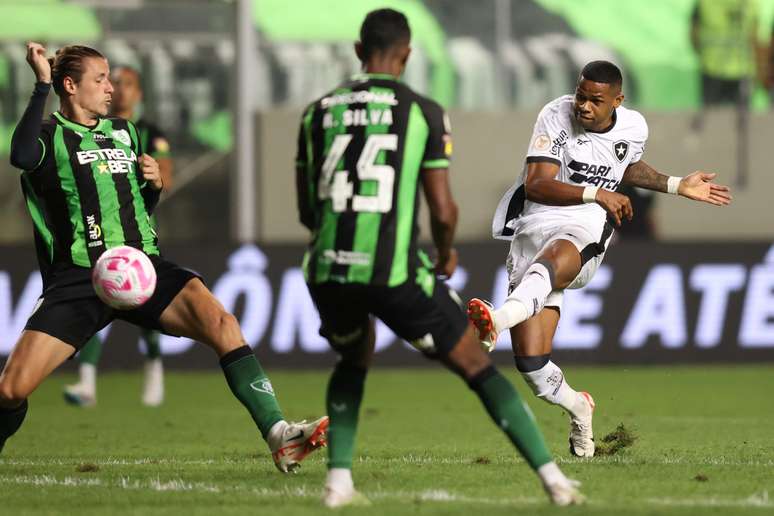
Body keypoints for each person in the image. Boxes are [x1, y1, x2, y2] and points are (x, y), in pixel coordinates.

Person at [296, 9, 583, 508]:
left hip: (326, 268)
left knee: (352, 357)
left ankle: (337, 484)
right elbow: (444, 208)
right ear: (406, 55)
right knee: (475, 363)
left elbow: (306, 208)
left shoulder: (316, 111)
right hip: (394, 270)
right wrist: (446, 253)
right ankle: (556, 482)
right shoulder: (422, 111)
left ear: (359, 51)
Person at [1, 42, 328, 473]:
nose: (110, 87)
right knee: (11, 390)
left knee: (223, 324)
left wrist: (152, 186)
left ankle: (279, 434)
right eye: (99, 79)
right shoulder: (48, 136)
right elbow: (21, 157)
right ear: (69, 84)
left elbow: (137, 206)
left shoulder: (126, 132)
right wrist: (39, 85)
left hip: (141, 267)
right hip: (80, 277)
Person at [468, 60, 732, 458]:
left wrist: (676, 185)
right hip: (536, 221)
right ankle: (579, 407)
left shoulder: (634, 127)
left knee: (556, 257)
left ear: (617, 101)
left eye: (595, 100)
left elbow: (625, 163)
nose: (584, 107)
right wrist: (597, 191)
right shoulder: (555, 115)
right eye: (580, 96)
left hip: (585, 226)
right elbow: (537, 185)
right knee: (533, 367)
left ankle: (498, 320)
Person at [64, 65, 173, 408]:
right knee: (100, 302)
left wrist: (152, 176)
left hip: (139, 233)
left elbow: (164, 177)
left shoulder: (148, 133)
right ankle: (86, 383)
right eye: (116, 83)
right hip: (99, 235)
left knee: (146, 305)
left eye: (128, 85)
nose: (120, 90)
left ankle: (154, 372)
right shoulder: (91, 129)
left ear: (138, 93)